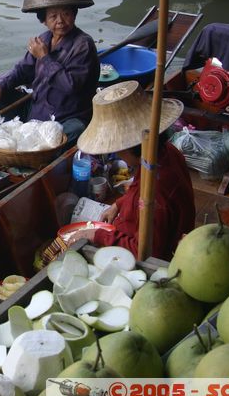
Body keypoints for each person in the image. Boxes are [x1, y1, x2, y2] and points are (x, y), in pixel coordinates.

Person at [75, 80, 195, 261]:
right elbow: (137, 189)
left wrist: (97, 235)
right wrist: (119, 204)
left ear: (133, 147)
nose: (117, 153)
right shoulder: (163, 153)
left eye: (119, 149)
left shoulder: (156, 194)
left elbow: (145, 254)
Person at [0, 0, 100, 145]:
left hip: (67, 116)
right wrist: (0, 85)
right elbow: (22, 70)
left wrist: (44, 58)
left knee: (75, 130)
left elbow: (70, 86)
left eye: (66, 13)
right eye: (53, 16)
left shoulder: (83, 44)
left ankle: (33, 148)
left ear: (74, 15)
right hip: (37, 111)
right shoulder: (44, 39)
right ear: (44, 21)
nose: (60, 21)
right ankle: (21, 138)